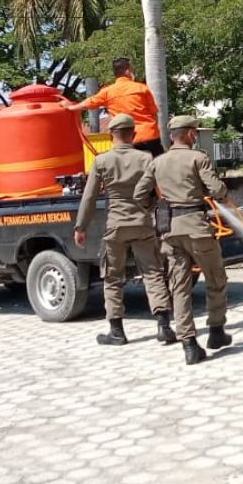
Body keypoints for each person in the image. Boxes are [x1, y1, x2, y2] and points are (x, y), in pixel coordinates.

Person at [74, 113, 176, 346]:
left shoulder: (101, 161)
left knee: (112, 278)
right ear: (134, 134)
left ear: (111, 136)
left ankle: (117, 332)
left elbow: (89, 197)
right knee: (153, 273)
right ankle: (164, 327)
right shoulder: (146, 157)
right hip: (143, 224)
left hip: (116, 226)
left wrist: (81, 227)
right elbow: (160, 189)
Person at [143, 115, 231, 365]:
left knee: (179, 288)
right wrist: (223, 193)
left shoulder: (157, 163)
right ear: (191, 134)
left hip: (170, 230)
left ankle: (189, 344)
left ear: (172, 136)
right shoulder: (198, 158)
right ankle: (216, 331)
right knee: (215, 278)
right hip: (197, 228)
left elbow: (141, 193)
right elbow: (215, 190)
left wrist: (157, 206)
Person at [68, 58, 163, 156]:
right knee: (159, 168)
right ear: (128, 71)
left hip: (126, 139)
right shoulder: (142, 88)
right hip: (150, 135)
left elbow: (90, 102)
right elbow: (154, 113)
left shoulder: (107, 91)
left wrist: (71, 107)